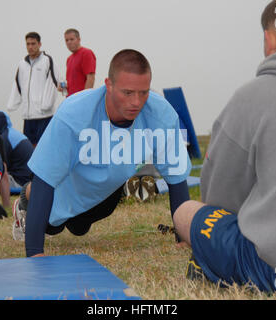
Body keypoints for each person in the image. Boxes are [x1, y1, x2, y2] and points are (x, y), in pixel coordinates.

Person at [173, 0, 276, 294]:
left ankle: (210, 267)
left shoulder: (251, 98)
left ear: (269, 39)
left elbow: (220, 201)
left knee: (186, 212)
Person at [12, 49, 192, 256]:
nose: (136, 102)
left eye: (143, 92)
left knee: (80, 228)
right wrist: (35, 252)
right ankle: (26, 198)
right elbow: (46, 178)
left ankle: (72, 214)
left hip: (105, 186)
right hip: (67, 182)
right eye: (127, 92)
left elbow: (176, 178)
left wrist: (184, 239)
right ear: (109, 85)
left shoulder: (161, 115)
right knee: (52, 226)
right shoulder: (74, 113)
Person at [7, 32, 59, 146]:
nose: (30, 47)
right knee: (29, 147)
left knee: (43, 147)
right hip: (28, 115)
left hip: (44, 115)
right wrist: (11, 105)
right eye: (28, 44)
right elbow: (17, 85)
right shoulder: (22, 64)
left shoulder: (47, 61)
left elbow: (53, 83)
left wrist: (46, 106)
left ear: (39, 44)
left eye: (33, 44)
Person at [0, 111, 34, 188]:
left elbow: (1, 165)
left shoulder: (5, 138)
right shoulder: (12, 133)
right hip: (29, 181)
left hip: (20, 182)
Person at [59, 28, 96, 97]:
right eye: (66, 40)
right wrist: (62, 87)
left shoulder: (86, 53)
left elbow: (90, 78)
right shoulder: (69, 59)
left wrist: (84, 98)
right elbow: (72, 83)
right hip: (70, 100)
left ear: (79, 39)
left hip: (80, 100)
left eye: (72, 39)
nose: (69, 42)